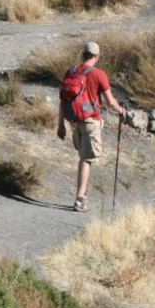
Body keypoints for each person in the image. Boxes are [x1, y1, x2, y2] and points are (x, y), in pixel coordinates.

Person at [57, 41, 127, 212]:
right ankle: (80, 199)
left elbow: (62, 101)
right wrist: (122, 110)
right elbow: (110, 102)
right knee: (86, 159)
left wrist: (60, 125)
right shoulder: (98, 74)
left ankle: (82, 196)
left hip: (74, 121)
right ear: (96, 56)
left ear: (83, 55)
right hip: (90, 121)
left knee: (83, 157)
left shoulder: (71, 72)